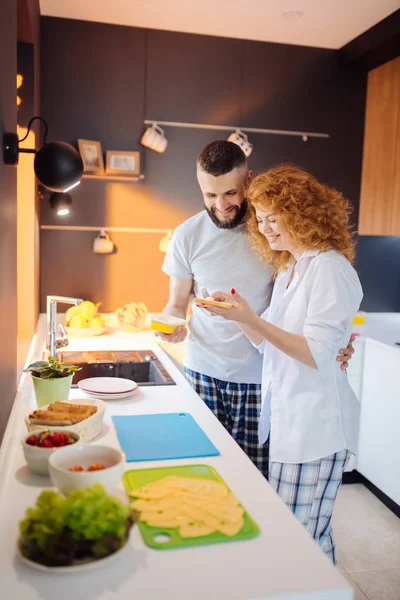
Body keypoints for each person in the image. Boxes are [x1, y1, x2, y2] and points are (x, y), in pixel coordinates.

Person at [158, 141, 354, 479]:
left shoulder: (274, 232)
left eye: (230, 193)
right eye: (209, 195)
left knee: (253, 481)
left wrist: (339, 343)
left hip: (260, 380)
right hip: (202, 373)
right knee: (200, 473)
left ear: (248, 180)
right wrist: (172, 324)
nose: (220, 205)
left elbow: (316, 296)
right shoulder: (187, 235)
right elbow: (176, 304)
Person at [204, 165, 362, 563]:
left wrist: (254, 320)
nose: (266, 228)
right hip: (290, 419)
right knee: (299, 535)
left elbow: (317, 352)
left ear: (302, 214)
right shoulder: (292, 268)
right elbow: (271, 347)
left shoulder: (329, 268)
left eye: (274, 218)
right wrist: (242, 318)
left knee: (302, 543)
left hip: (317, 426)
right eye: (260, 219)